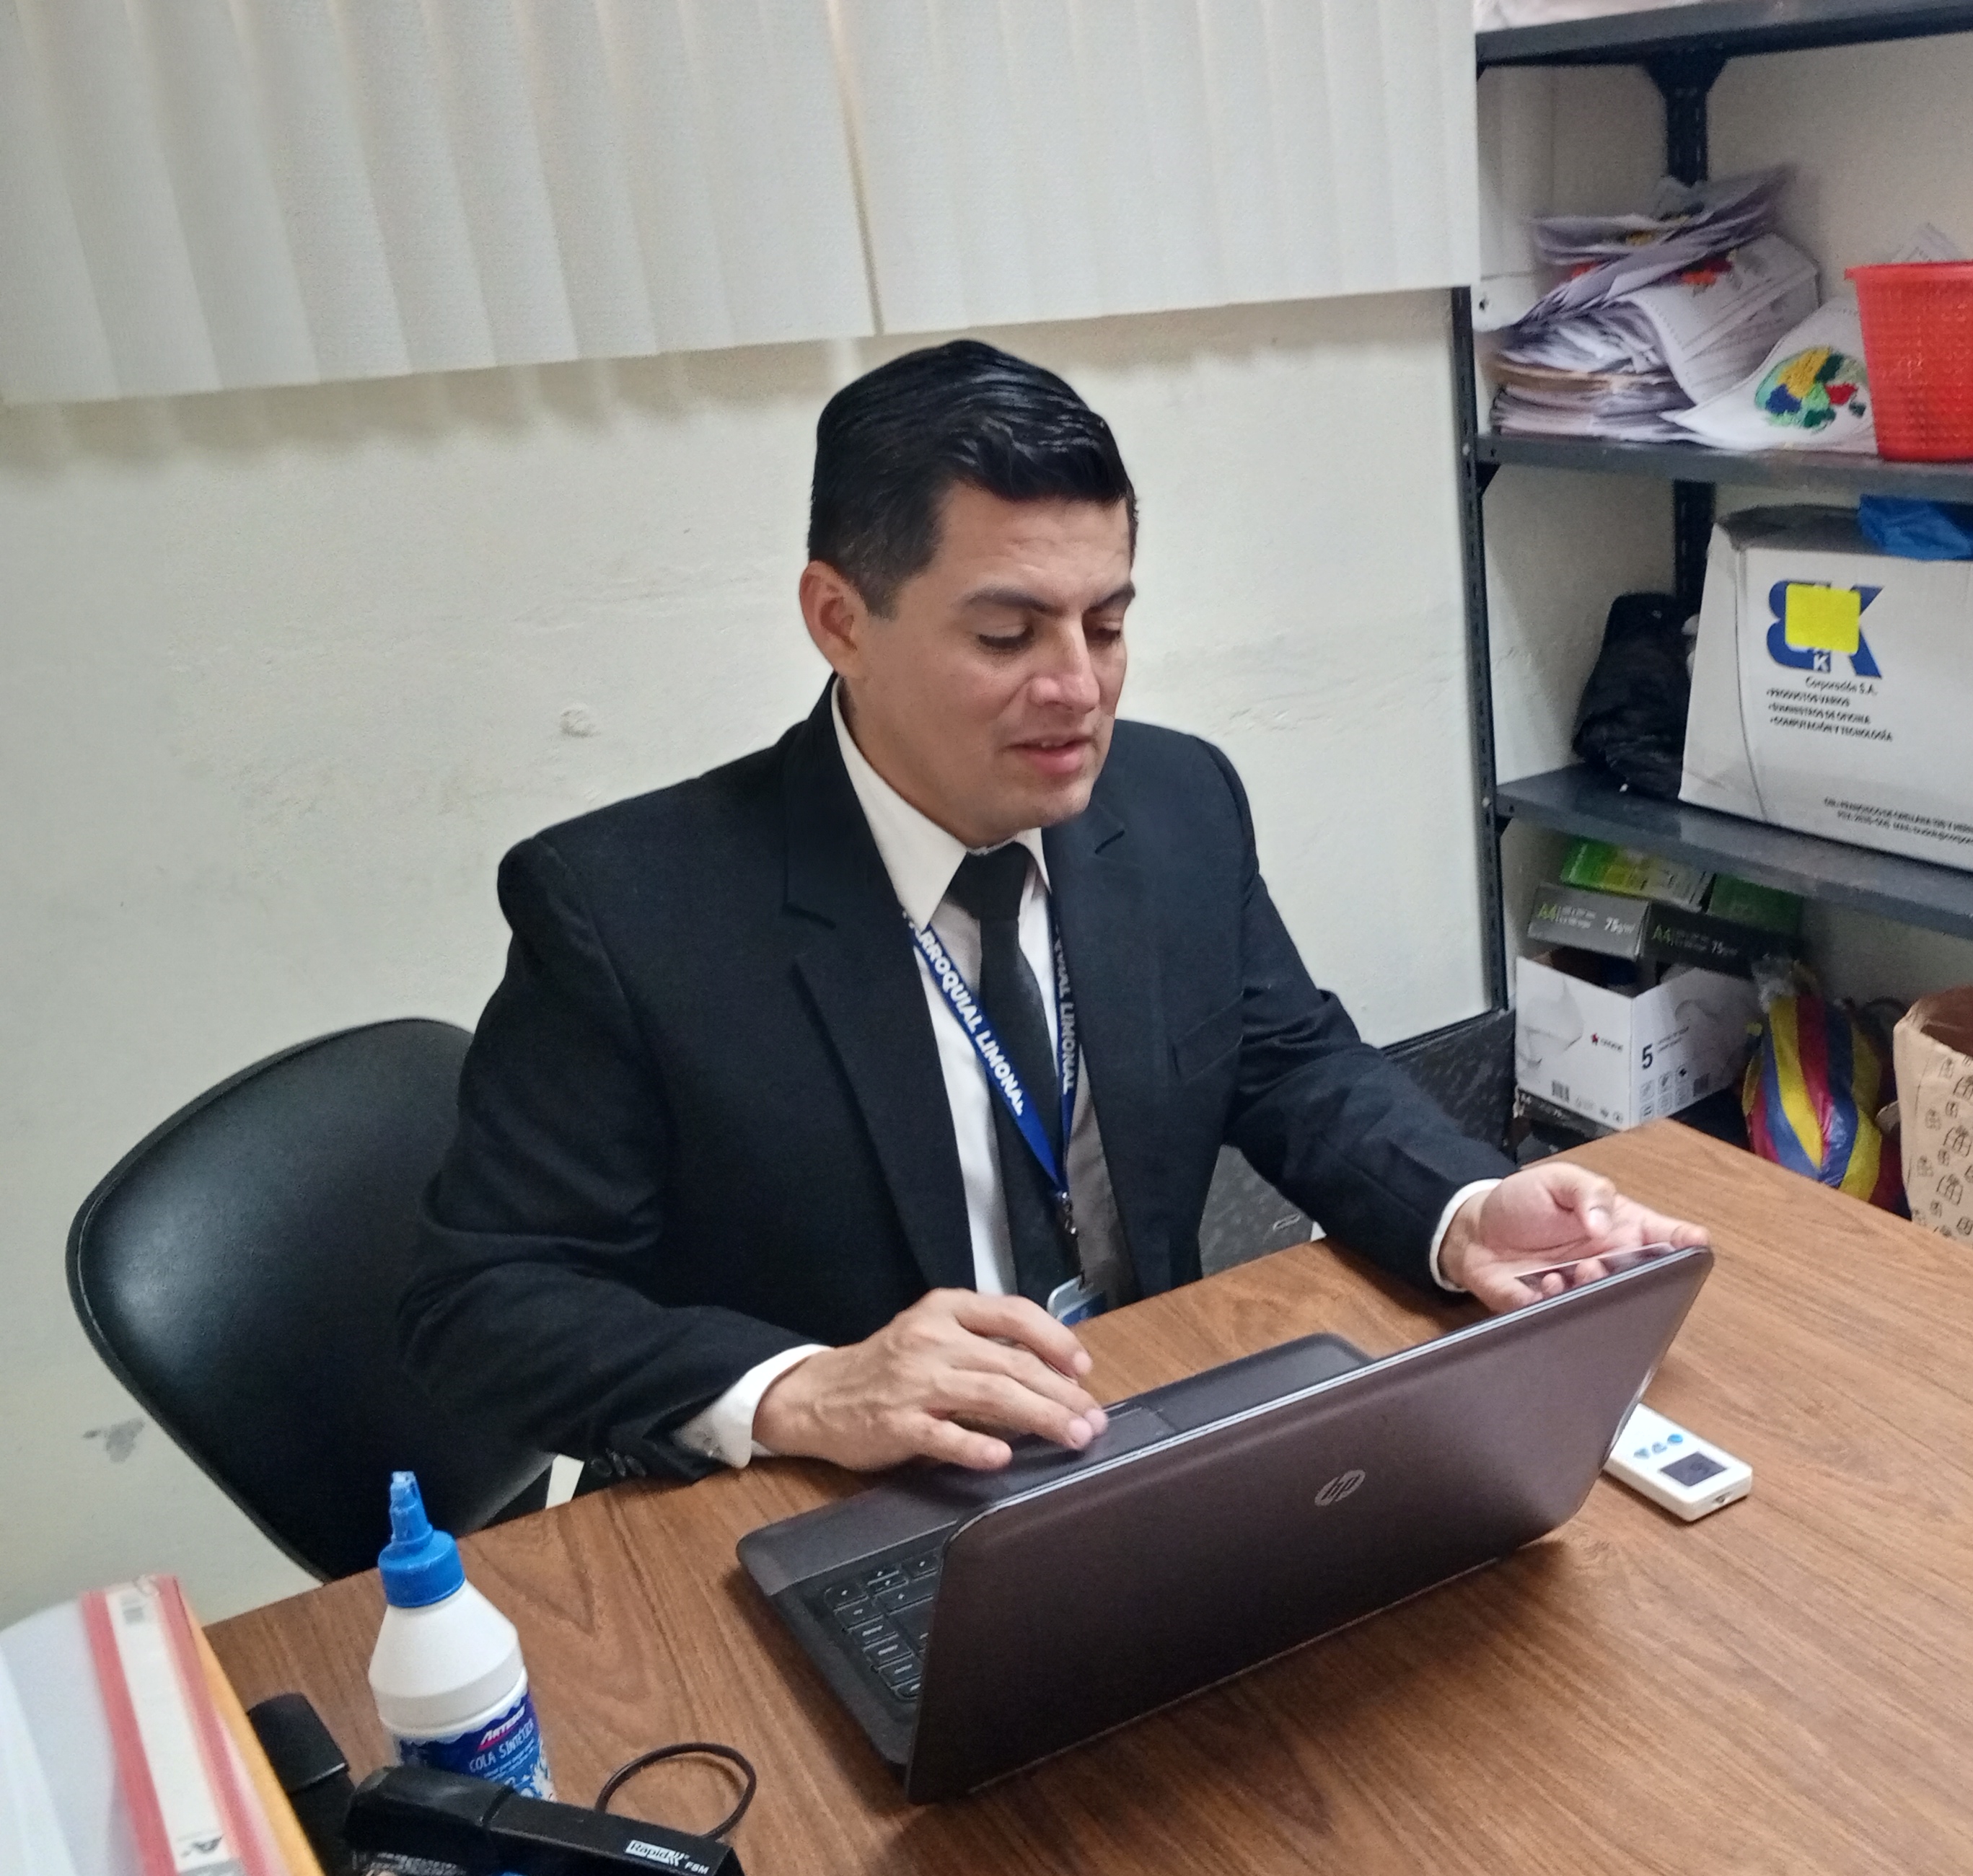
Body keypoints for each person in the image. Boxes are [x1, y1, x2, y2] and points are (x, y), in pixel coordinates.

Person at [402, 339, 1703, 1484]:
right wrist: (807, 1388)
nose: (1078, 689)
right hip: (836, 1500)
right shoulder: (628, 911)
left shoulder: (1177, 803)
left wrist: (1465, 1210)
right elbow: (484, 1303)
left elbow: (1293, 1066)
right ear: (840, 620)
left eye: (1108, 624)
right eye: (1007, 636)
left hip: (1140, 1438)